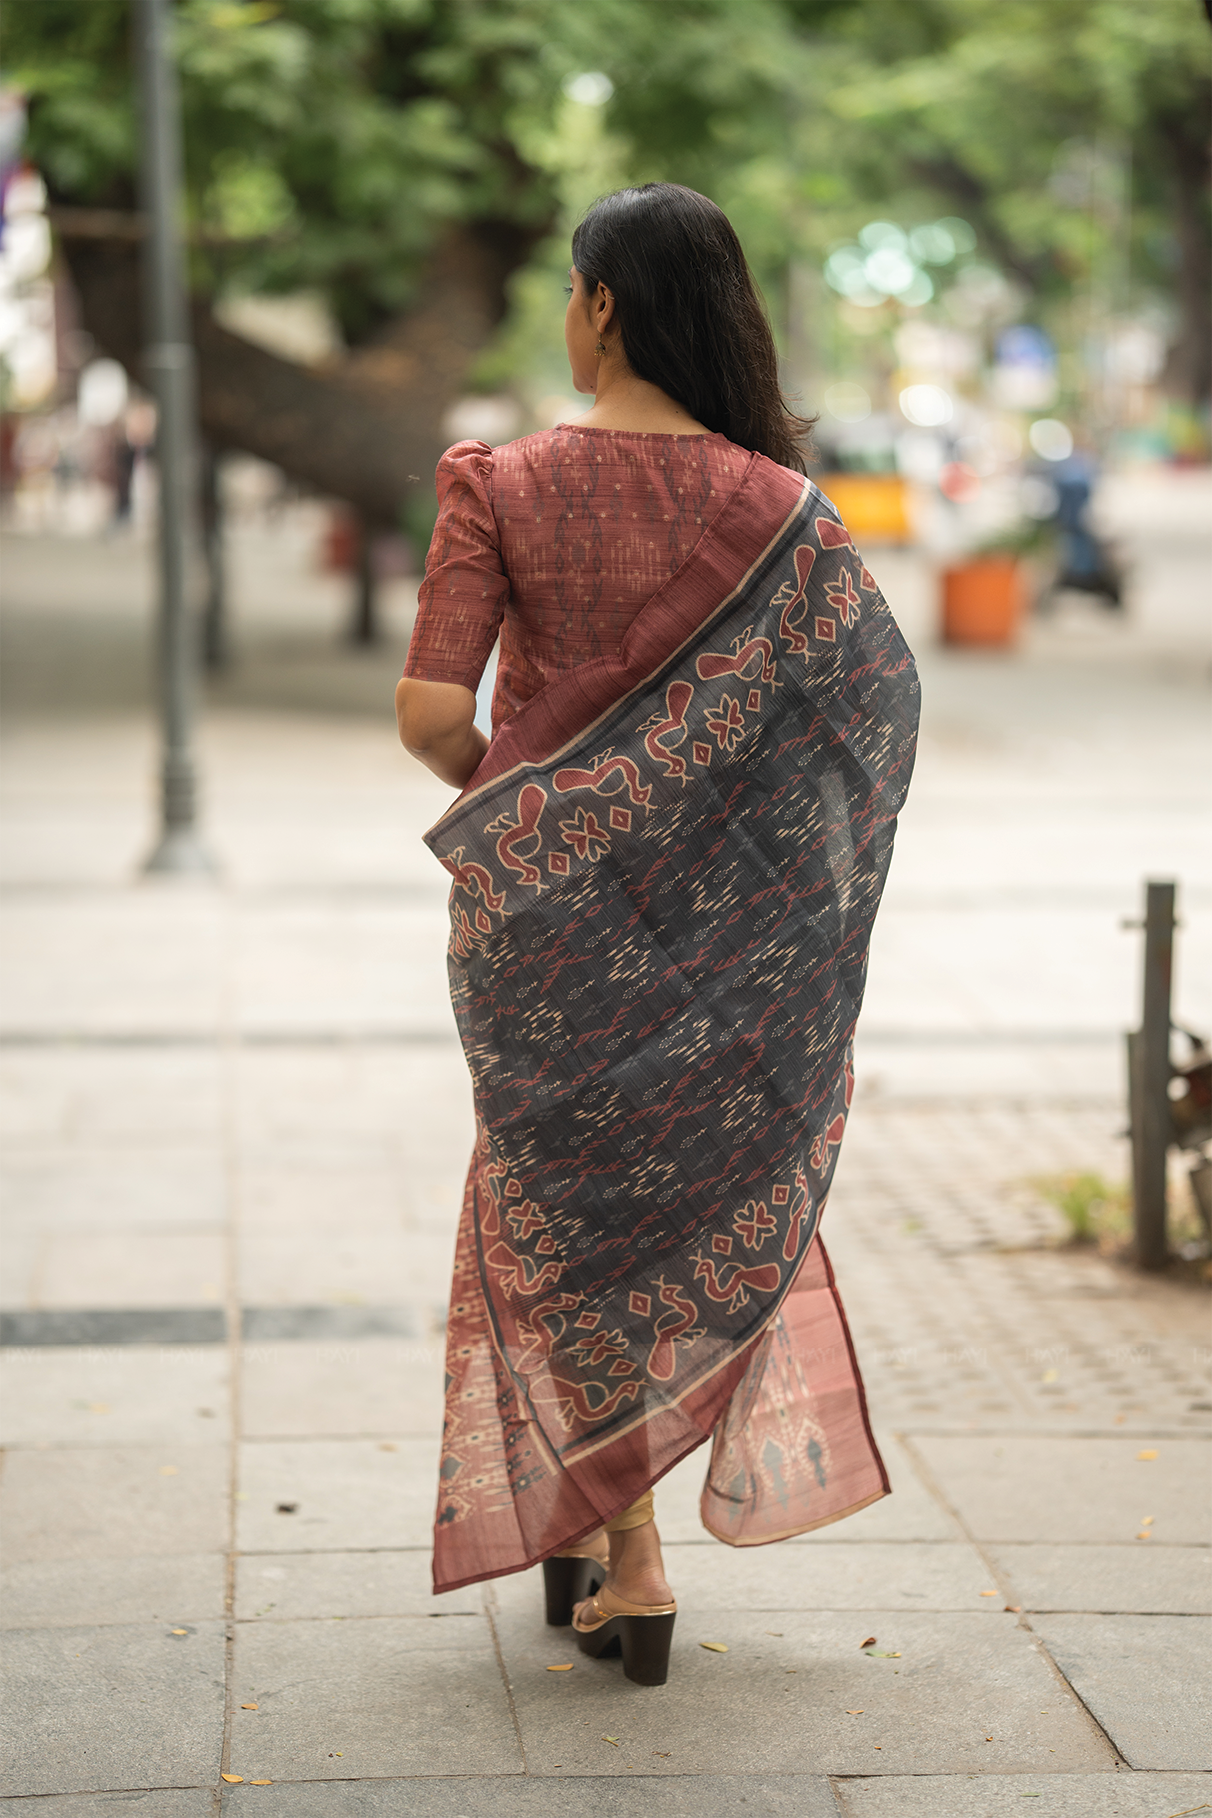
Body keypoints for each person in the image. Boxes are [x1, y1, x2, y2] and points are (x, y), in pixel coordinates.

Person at [396, 183, 919, 1686]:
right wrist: (769, 877)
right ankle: (632, 1552)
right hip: (725, 943)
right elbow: (873, 711)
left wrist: (545, 806)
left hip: (543, 938)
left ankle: (622, 1548)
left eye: (570, 289)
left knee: (557, 1212)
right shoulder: (782, 511)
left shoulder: (498, 482)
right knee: (679, 1213)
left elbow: (435, 716)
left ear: (605, 304)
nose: (566, 314)